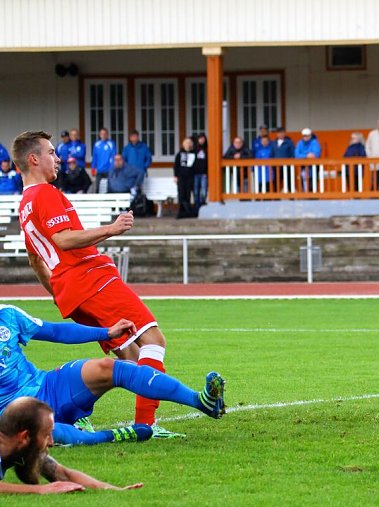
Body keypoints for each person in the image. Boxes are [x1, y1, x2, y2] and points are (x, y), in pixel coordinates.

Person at [13, 130, 184, 438]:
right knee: (154, 342)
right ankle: (146, 425)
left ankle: (70, 416)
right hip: (93, 279)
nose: (58, 158)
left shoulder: (24, 206)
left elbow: (35, 260)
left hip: (73, 292)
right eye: (51, 152)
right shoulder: (45, 194)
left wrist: (59, 293)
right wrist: (112, 228)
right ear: (33, 159)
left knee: (130, 357)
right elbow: (63, 239)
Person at [0, 304, 226, 447]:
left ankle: (201, 401)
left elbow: (55, 331)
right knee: (50, 432)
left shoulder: (8, 315)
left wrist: (106, 332)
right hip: (12, 414)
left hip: (47, 386)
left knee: (110, 367)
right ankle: (115, 435)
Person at [0, 397, 144, 494]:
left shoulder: (23, 446)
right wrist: (41, 489)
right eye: (46, 435)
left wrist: (115, 490)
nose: (51, 441)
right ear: (24, 436)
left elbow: (64, 474)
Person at [174, 137, 197, 218]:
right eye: (186, 143)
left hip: (190, 177)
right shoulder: (179, 154)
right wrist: (176, 176)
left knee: (188, 194)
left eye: (189, 143)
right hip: (181, 177)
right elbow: (176, 166)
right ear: (184, 144)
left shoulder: (194, 153)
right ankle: (181, 212)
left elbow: (195, 166)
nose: (188, 145)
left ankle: (187, 212)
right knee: (181, 194)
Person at [295, 128, 321, 192]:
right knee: (303, 184)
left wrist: (303, 155)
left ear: (310, 135)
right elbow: (296, 155)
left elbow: (316, 154)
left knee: (313, 184)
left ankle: (313, 198)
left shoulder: (315, 142)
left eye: (307, 135)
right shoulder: (300, 143)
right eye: (304, 135)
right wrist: (306, 155)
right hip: (303, 167)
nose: (305, 137)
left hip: (313, 167)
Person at [90, 128, 116, 193]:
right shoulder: (97, 144)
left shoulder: (111, 143)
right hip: (99, 169)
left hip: (109, 169)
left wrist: (112, 167)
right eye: (102, 134)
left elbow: (113, 156)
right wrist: (93, 168)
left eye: (105, 134)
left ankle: (109, 200)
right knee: (97, 186)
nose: (103, 135)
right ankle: (97, 200)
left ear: (107, 135)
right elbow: (94, 157)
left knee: (110, 185)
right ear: (99, 135)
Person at [193, 133, 209, 209]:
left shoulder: (207, 149)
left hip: (204, 173)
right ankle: (196, 205)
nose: (201, 140)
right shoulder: (194, 149)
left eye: (203, 139)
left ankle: (202, 204)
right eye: (200, 139)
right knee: (196, 191)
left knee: (204, 190)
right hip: (195, 173)